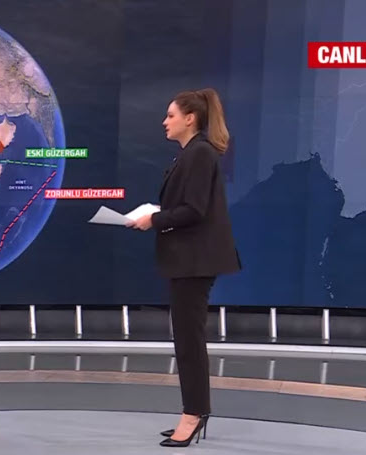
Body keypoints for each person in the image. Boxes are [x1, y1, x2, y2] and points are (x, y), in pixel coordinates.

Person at [127, 88, 241, 447]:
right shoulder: (191, 154)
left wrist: (154, 219)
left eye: (171, 115)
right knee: (186, 339)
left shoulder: (200, 153)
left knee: (189, 341)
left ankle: (193, 415)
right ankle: (195, 410)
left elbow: (194, 210)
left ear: (190, 118)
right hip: (186, 259)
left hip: (195, 260)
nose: (165, 122)